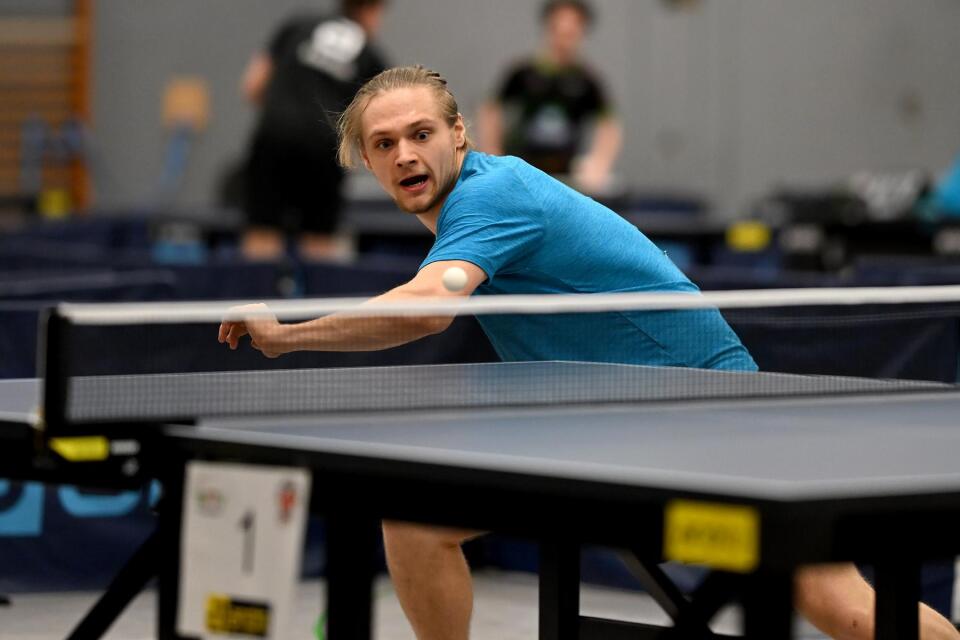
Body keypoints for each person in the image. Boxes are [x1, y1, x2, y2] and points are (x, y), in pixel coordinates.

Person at [218, 66, 960, 640]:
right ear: (366, 161)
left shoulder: (491, 197)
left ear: (459, 134)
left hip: (706, 413)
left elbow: (429, 308)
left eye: (421, 133)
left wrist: (289, 334)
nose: (406, 154)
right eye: (384, 144)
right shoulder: (470, 207)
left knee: (841, 607)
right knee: (415, 522)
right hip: (612, 420)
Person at [238, 0, 388, 260]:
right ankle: (316, 287)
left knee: (262, 230)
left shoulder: (297, 26)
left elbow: (253, 86)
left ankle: (257, 285)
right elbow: (375, 121)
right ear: (372, 10)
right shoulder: (371, 56)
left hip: (275, 135)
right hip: (324, 147)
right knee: (318, 239)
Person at [478, 0, 622, 194]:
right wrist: (492, 154)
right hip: (521, 171)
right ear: (549, 27)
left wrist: (599, 163)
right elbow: (490, 110)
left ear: (582, 31)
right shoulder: (523, 72)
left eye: (572, 31)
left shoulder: (588, 80)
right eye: (560, 29)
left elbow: (609, 124)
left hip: (565, 177)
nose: (565, 38)